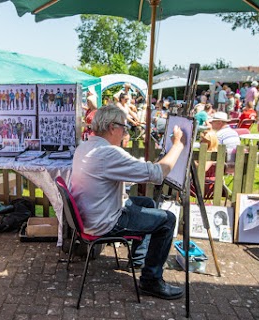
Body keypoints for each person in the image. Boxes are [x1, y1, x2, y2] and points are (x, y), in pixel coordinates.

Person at [70, 105, 186, 300]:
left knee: (147, 203)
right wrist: (178, 146)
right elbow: (158, 173)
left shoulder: (86, 146)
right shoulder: (108, 153)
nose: (126, 132)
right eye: (124, 127)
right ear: (112, 127)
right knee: (167, 220)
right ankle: (151, 281)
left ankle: (138, 260)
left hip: (90, 214)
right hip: (103, 222)